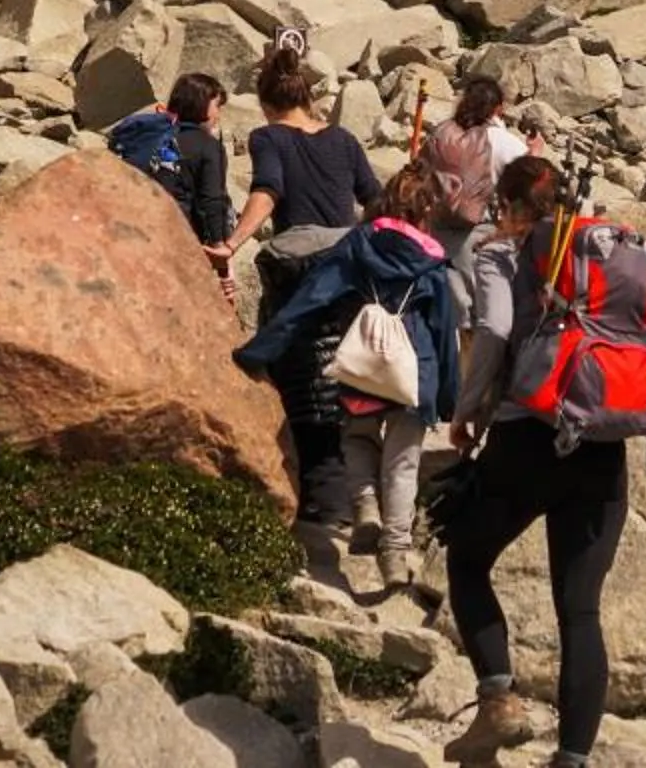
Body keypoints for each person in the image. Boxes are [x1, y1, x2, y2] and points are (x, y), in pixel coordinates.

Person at [438, 156, 624, 768]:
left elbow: (492, 329)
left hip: (528, 436)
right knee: (580, 609)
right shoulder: (604, 248)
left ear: (513, 208)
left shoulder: (501, 252)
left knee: (467, 560)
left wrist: (467, 409)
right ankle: (572, 759)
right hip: (599, 443)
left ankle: (498, 701)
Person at [234, 163, 459, 592]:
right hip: (416, 372)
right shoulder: (433, 263)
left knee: (356, 438)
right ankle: (394, 552)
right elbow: (443, 333)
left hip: (362, 366)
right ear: (426, 212)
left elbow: (311, 299)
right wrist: (447, 397)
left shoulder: (360, 244)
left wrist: (260, 350)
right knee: (402, 463)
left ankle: (365, 506)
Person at [213, 32, 381, 556]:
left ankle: (319, 502)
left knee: (303, 378)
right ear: (308, 97)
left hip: (297, 270)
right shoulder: (343, 140)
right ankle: (362, 498)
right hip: (352, 267)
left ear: (267, 105)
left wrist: (233, 243)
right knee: (348, 376)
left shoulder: (269, 140)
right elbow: (375, 201)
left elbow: (269, 191)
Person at [419, 75, 526, 299]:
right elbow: (532, 183)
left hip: (433, 232)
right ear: (498, 108)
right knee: (480, 309)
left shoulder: (442, 133)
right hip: (479, 236)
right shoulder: (504, 142)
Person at [165, 73, 237, 295]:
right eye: (216, 106)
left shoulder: (158, 138)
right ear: (202, 106)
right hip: (185, 240)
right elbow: (212, 201)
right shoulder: (208, 146)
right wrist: (220, 252)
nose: (218, 115)